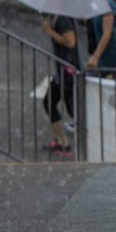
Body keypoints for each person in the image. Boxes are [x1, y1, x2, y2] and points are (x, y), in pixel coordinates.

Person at [40, 14, 80, 157]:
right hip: (65, 71)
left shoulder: (63, 18)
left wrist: (49, 31)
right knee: (72, 108)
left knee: (52, 102)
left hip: (68, 73)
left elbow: (70, 41)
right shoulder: (58, 17)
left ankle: (64, 144)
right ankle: (63, 142)